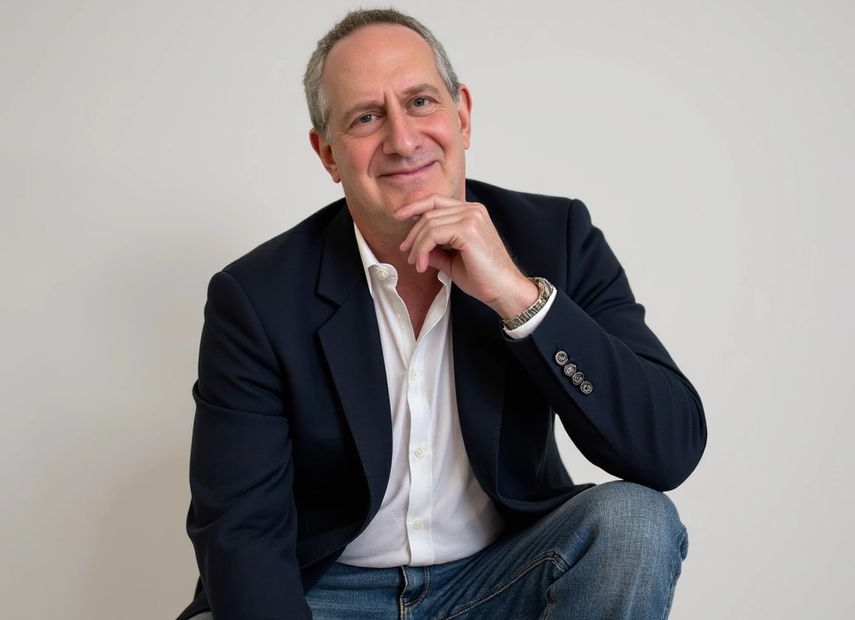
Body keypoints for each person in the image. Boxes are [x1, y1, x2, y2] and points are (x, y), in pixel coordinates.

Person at [178, 8, 706, 620]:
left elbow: (667, 449)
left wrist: (518, 297)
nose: (403, 140)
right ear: (327, 154)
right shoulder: (256, 296)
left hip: (502, 577)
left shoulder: (557, 237)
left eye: (422, 101)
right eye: (366, 118)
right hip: (327, 593)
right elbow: (240, 530)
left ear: (464, 114)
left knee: (636, 523)